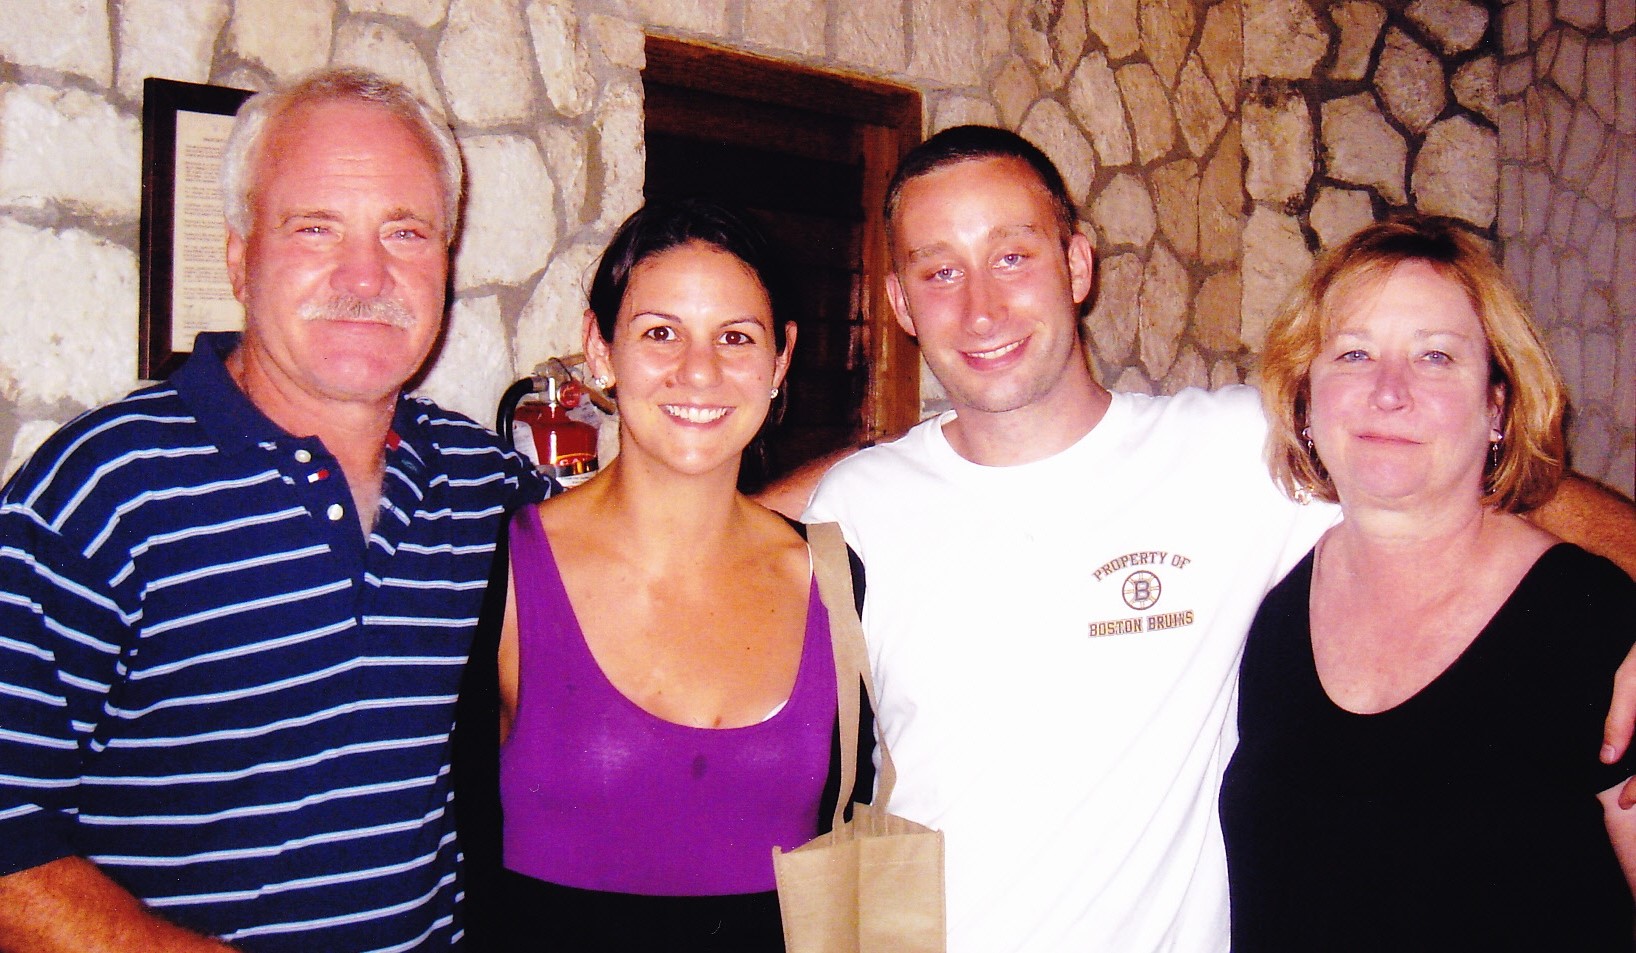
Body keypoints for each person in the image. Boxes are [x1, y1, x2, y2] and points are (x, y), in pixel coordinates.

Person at [802, 125, 1636, 952]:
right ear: (901, 303)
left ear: (1078, 267)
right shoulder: (858, 504)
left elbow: (1443, 469)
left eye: (1014, 256)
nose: (980, 305)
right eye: (940, 270)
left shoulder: (1233, 452)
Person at [0, 69, 550, 951]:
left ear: (446, 262)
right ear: (238, 256)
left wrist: (841, 488)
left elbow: (660, 549)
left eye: (405, 232)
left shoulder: (479, 483)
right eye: (315, 227)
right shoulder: (105, 488)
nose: (366, 274)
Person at [1219, 217, 1636, 950]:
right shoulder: (1274, 619)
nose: (1388, 392)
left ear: (1497, 407)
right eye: (1354, 354)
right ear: (1306, 403)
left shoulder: (1593, 622)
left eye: (1436, 356)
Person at [468, 199, 872, 951]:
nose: (699, 370)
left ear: (780, 359)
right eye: (660, 332)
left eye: (735, 337)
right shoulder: (503, 567)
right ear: (599, 347)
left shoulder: (835, 582)